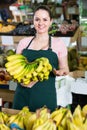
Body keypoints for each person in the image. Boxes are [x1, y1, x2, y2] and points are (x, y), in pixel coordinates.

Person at [12, 5, 69, 112]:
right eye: (37, 19)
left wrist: (60, 72)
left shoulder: (58, 44)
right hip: (22, 96)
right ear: (33, 21)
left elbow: (65, 68)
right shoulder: (24, 43)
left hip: (45, 98)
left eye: (45, 19)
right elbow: (15, 69)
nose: (40, 23)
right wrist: (19, 80)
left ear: (51, 21)